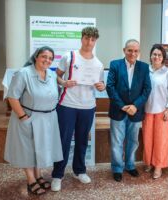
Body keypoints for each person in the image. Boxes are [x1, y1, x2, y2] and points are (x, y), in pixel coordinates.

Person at [51, 27, 105, 191]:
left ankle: (79, 170)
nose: (89, 42)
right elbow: (56, 75)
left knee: (82, 140)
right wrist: (63, 82)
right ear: (82, 38)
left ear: (95, 41)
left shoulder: (98, 64)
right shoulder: (69, 56)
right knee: (63, 141)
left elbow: (100, 85)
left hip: (88, 106)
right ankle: (57, 174)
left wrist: (102, 86)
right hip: (67, 104)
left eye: (93, 40)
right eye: (87, 38)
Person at [4, 46, 63, 195]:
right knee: (28, 150)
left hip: (47, 119)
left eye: (50, 58)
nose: (47, 60)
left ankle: (39, 175)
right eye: (44, 56)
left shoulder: (50, 74)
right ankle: (31, 180)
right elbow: (12, 97)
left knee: (40, 148)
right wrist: (23, 117)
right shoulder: (23, 74)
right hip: (28, 117)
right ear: (36, 57)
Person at [106, 39, 151, 182]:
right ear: (124, 50)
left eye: (136, 51)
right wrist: (122, 105)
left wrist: (135, 106)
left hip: (135, 111)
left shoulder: (144, 67)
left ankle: (130, 165)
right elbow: (110, 87)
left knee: (133, 141)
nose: (133, 53)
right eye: (130, 50)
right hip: (118, 110)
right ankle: (117, 168)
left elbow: (147, 89)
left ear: (139, 52)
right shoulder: (115, 64)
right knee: (117, 142)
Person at [142, 44, 168, 179]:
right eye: (154, 54)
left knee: (161, 140)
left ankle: (158, 166)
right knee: (148, 138)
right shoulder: (145, 70)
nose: (156, 57)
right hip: (147, 110)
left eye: (159, 55)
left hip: (163, 111)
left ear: (163, 58)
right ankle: (149, 162)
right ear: (150, 56)